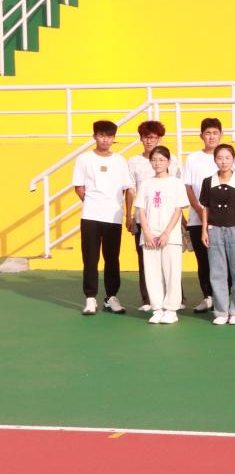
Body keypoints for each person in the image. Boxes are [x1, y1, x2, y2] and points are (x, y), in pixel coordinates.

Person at [74, 120, 134, 315]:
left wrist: (126, 214)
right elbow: (79, 187)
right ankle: (90, 298)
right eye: (101, 135)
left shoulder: (120, 161)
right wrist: (92, 203)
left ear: (114, 138)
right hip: (90, 216)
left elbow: (127, 189)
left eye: (109, 136)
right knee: (90, 258)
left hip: (113, 217)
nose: (105, 139)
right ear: (94, 136)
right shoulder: (84, 159)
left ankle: (111, 297)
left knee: (112, 258)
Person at [200, 143, 235, 325]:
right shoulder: (208, 182)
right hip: (214, 230)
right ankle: (221, 311)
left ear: (233, 159)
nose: (223, 161)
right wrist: (204, 230)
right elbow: (206, 207)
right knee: (217, 272)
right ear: (215, 160)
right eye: (219, 158)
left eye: (227, 158)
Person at [123, 120, 175, 312]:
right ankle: (148, 299)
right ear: (140, 138)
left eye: (153, 137)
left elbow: (176, 189)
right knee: (145, 260)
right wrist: (129, 216)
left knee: (170, 260)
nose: (149, 141)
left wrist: (181, 219)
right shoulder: (133, 162)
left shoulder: (172, 159)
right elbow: (130, 190)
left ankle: (173, 298)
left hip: (167, 219)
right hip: (143, 219)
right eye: (145, 137)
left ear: (159, 139)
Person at [134, 145, 185, 324]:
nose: (158, 163)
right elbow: (141, 210)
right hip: (149, 235)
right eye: (154, 160)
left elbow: (178, 210)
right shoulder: (146, 184)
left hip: (170, 236)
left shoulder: (176, 183)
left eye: (162, 160)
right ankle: (157, 308)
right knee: (152, 273)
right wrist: (147, 233)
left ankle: (171, 309)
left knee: (172, 273)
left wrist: (166, 233)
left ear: (169, 162)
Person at [182, 117, 221, 313]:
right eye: (208, 133)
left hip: (222, 221)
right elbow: (188, 186)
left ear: (221, 135)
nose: (211, 137)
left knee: (221, 260)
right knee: (203, 260)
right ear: (201, 136)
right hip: (197, 219)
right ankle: (208, 297)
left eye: (215, 133)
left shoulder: (226, 155)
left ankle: (222, 298)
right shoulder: (193, 158)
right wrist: (199, 209)